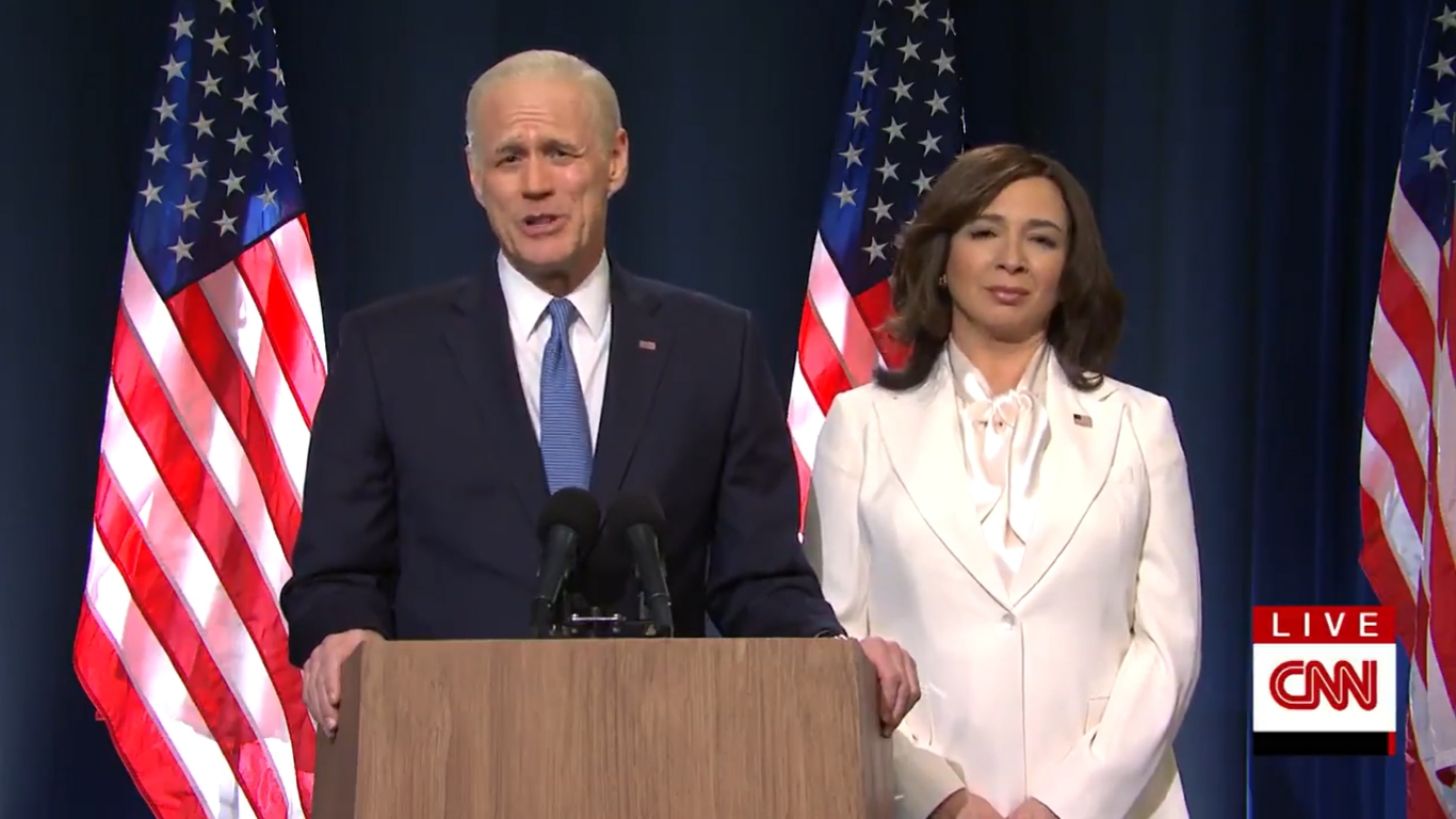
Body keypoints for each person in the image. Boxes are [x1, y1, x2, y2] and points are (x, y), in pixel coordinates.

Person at [279, 49, 920, 742]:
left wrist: (831, 655)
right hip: (449, 746)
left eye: (560, 153)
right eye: (508, 158)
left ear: (615, 161)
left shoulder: (714, 348)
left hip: (656, 746)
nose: (535, 184)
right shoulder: (388, 350)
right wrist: (345, 634)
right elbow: (335, 576)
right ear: (474, 176)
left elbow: (759, 578)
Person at [803, 144, 1202, 819]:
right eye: (985, 232)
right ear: (942, 257)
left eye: (1041, 239)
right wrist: (940, 797)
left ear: (1068, 269)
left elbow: (1170, 649)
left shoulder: (1141, 424)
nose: (1011, 258)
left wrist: (1065, 804)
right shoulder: (860, 425)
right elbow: (834, 646)